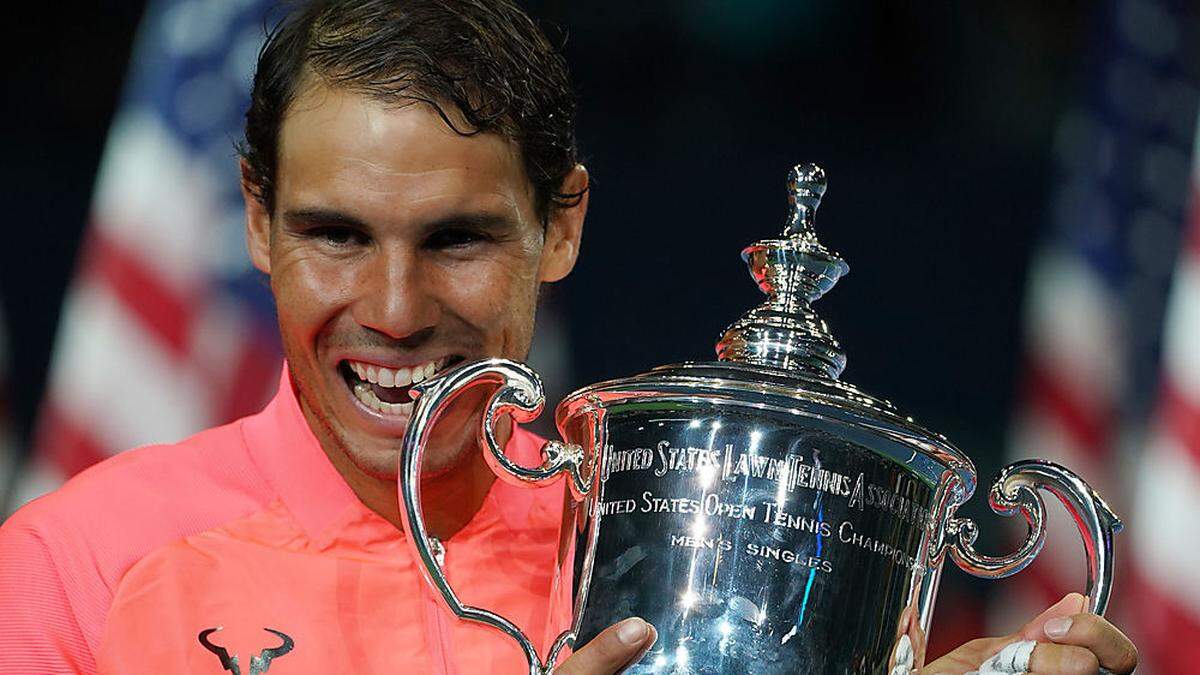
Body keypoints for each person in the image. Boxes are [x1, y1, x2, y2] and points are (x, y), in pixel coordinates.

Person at [0, 1, 1138, 673]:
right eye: (335, 235)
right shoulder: (75, 570)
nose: (394, 309)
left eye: (456, 240)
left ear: (563, 226)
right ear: (256, 220)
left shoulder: (694, 557)